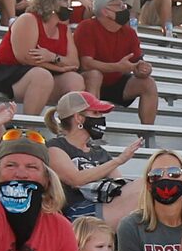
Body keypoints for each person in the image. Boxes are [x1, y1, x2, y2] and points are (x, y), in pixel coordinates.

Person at [41, 89, 143, 225]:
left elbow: (120, 186)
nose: (101, 118)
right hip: (74, 214)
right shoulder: (55, 147)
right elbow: (75, 180)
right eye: (96, 113)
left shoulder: (99, 152)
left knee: (148, 186)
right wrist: (119, 160)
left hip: (103, 208)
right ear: (78, 117)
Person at [0, 0, 84, 115]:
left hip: (44, 74)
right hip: (10, 73)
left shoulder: (64, 28)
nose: (69, 6)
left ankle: (68, 126)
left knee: (75, 80)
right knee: (42, 76)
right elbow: (25, 58)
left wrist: (53, 57)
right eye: (65, 1)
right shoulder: (28, 19)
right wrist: (59, 67)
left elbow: (74, 63)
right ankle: (29, 129)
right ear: (51, 2)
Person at [75, 0, 162, 128]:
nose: (124, 9)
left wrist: (143, 69)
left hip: (115, 83)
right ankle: (92, 128)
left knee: (148, 83)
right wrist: (118, 67)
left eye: (124, 6)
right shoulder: (87, 27)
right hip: (88, 83)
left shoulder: (129, 33)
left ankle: (148, 135)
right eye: (119, 6)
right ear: (105, 12)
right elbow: (86, 64)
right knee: (94, 75)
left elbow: (137, 62)